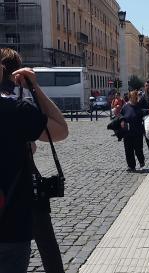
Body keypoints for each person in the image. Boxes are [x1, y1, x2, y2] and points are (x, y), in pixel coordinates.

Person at [0, 53, 69, 272]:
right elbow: (60, 129)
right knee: (45, 237)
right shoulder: (16, 109)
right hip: (11, 221)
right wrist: (34, 88)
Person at [120, 91, 145, 172]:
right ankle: (131, 166)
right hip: (127, 132)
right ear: (130, 97)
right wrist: (122, 121)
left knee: (138, 149)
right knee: (128, 150)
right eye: (134, 97)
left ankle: (141, 161)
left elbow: (144, 111)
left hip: (138, 132)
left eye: (136, 97)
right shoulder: (125, 107)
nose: (136, 99)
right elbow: (121, 115)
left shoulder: (139, 106)